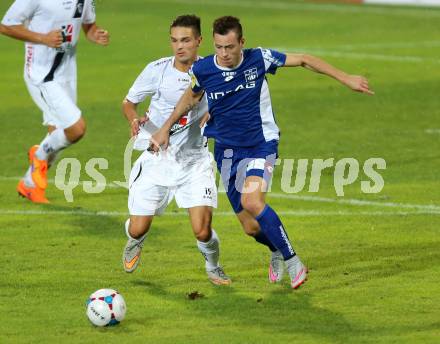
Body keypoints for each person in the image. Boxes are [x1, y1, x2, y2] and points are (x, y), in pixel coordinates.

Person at [150, 16, 374, 289]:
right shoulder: (205, 69)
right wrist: (165, 127)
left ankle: (293, 261)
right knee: (251, 227)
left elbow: (303, 59)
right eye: (219, 47)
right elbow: (192, 95)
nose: (224, 53)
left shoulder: (260, 59)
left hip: (260, 144)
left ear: (241, 43)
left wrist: (345, 77)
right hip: (226, 151)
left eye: (230, 47)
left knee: (253, 200)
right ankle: (276, 250)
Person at [121, 15, 231, 286]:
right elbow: (128, 102)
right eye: (174, 41)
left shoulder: (213, 71)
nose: (179, 47)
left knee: (202, 230)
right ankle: (135, 240)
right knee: (138, 228)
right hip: (157, 158)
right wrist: (133, 119)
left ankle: (213, 266)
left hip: (194, 162)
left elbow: (230, 103)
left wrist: (215, 114)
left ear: (199, 41)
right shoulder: (157, 70)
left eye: (185, 40)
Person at [0, 0, 109, 203]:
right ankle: (39, 155)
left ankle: (29, 185)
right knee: (76, 129)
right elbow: (6, 25)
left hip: (66, 72)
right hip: (41, 74)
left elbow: (89, 26)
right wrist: (42, 38)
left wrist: (96, 35)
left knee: (56, 134)